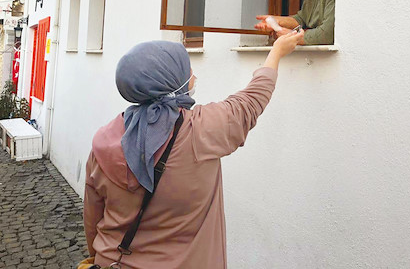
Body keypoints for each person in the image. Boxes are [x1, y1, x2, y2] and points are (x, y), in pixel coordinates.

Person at [83, 31, 304, 268]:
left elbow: (93, 216)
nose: (194, 76)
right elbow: (251, 101)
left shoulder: (104, 139)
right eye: (187, 70)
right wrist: (277, 52)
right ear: (168, 79)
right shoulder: (201, 129)